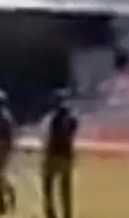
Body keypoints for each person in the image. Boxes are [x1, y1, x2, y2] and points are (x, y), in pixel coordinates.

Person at [41, 90, 78, 218]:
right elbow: (72, 135)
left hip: (53, 154)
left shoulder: (53, 118)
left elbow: (49, 137)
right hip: (67, 155)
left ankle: (50, 213)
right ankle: (67, 214)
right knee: (65, 188)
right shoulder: (72, 118)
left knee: (48, 185)